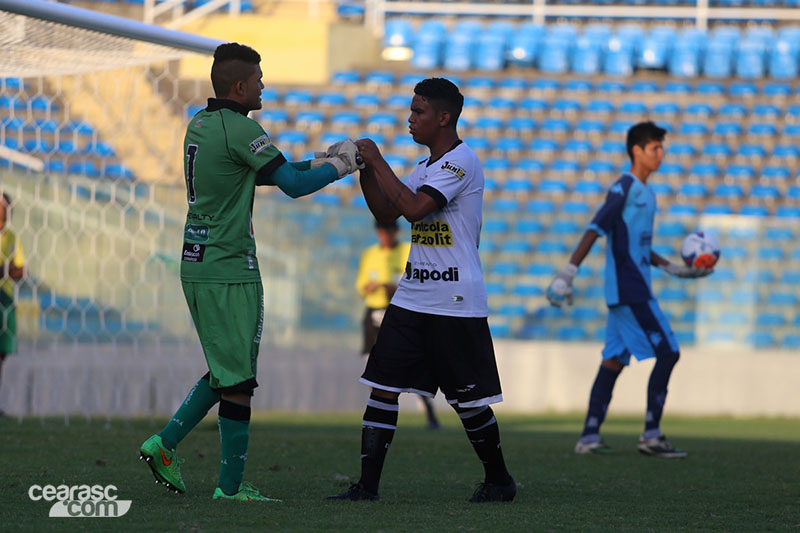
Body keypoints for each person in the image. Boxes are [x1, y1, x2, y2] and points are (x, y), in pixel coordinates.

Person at [138, 42, 362, 502]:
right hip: (229, 268)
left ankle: (166, 444)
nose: (264, 85)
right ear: (240, 86)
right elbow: (292, 185)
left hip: (198, 262)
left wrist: (318, 160)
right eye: (259, 79)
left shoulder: (200, 124)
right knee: (238, 381)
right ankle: (229, 487)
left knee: (227, 371)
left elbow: (258, 173)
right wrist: (341, 166)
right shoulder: (242, 128)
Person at [329, 77, 515, 503]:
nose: (410, 119)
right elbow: (386, 213)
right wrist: (363, 170)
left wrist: (377, 159)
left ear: (444, 117)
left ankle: (500, 480)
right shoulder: (425, 167)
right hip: (412, 297)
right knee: (382, 387)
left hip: (454, 300)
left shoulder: (461, 162)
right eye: (411, 110)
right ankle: (366, 488)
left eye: (419, 111)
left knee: (468, 402)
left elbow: (413, 210)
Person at [546, 121, 712, 458]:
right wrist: (568, 272)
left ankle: (589, 436)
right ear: (637, 151)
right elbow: (596, 227)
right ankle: (651, 435)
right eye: (655, 148)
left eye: (662, 148)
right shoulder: (624, 187)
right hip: (630, 289)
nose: (661, 154)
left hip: (630, 287)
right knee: (669, 353)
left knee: (613, 360)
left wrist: (674, 269)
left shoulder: (648, 193)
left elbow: (639, 245)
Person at [355, 220, 439, 429]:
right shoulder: (370, 254)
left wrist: (392, 287)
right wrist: (370, 287)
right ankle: (378, 412)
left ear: (395, 232)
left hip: (398, 311)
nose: (385, 236)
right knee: (373, 365)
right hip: (374, 314)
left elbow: (413, 281)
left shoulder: (407, 251)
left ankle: (429, 413)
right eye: (382, 231)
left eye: (389, 231)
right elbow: (361, 287)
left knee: (411, 363)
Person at [0, 193, 26, 417]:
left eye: (6, 206)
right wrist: (7, 270)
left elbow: (21, 270)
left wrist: (5, 271)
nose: (3, 210)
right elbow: (13, 270)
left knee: (2, 354)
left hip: (6, 300)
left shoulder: (12, 237)